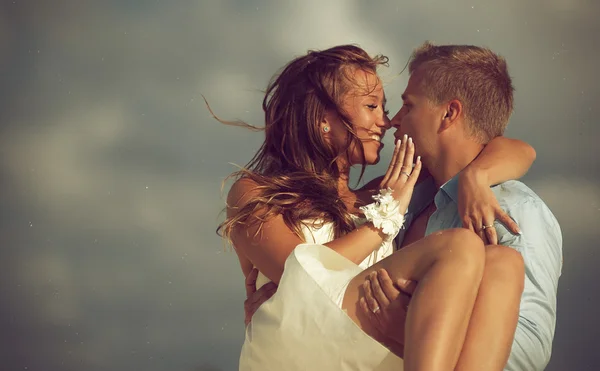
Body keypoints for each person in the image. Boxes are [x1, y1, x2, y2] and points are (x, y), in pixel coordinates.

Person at [216, 44, 536, 370]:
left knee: (505, 263)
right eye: (372, 106)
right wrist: (384, 219)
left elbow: (517, 150)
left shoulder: (381, 192)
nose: (385, 122)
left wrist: (476, 176)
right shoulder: (256, 193)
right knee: (459, 245)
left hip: (363, 346)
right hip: (304, 339)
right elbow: (302, 279)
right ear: (322, 117)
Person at [357, 42, 562, 371]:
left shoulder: (514, 207)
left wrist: (416, 333)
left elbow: (528, 348)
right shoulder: (406, 198)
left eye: (408, 106)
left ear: (449, 114)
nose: (393, 120)